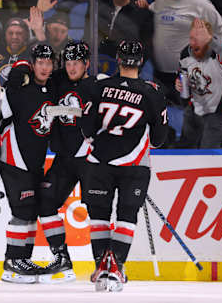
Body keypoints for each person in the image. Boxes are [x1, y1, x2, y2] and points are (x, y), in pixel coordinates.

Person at [82, 40, 168, 292]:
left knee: (98, 216)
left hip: (98, 161)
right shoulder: (152, 92)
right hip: (134, 164)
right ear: (141, 62)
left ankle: (101, 266)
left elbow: (86, 129)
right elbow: (159, 140)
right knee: (126, 216)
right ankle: (116, 266)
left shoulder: (99, 87)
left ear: (118, 60)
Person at [0, 44, 56, 283]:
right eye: (40, 62)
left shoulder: (52, 90)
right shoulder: (21, 87)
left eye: (48, 63)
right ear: (33, 64)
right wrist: (17, 70)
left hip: (34, 160)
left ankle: (23, 258)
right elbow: (4, 99)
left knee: (30, 209)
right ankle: (12, 262)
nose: (44, 67)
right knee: (22, 210)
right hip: (13, 157)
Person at [37, 40, 93, 283]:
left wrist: (58, 111)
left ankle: (105, 262)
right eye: (68, 63)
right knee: (45, 204)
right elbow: (41, 67)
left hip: (91, 160)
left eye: (76, 64)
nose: (71, 68)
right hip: (64, 159)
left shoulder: (96, 86)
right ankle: (62, 258)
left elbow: (91, 115)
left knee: (99, 211)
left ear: (86, 64)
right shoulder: (58, 79)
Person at [174, 19, 222, 148]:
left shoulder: (218, 53)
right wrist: (178, 83)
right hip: (196, 106)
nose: (194, 42)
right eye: (191, 38)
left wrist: (209, 38)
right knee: (185, 147)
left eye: (199, 38)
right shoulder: (186, 53)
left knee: (207, 148)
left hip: (220, 109)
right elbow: (183, 75)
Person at [0, 7, 45, 95]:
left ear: (26, 36)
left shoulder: (32, 55)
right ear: (5, 36)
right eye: (10, 33)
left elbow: (47, 62)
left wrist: (39, 31)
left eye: (19, 33)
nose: (14, 37)